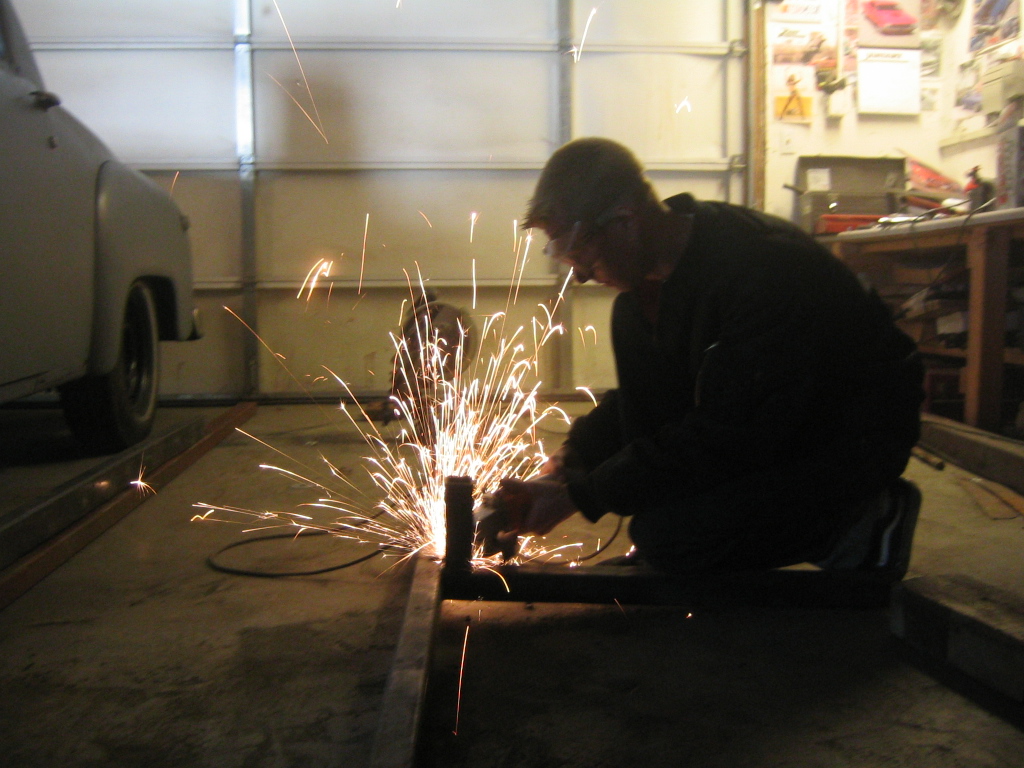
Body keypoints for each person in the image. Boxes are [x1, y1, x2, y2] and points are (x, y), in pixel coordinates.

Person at [498, 137, 924, 579]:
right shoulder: (638, 302)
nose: (580, 274)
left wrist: (580, 498)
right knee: (663, 511)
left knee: (671, 534)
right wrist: (569, 463)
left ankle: (865, 526)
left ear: (625, 221)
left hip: (852, 433)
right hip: (769, 421)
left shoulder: (762, 269)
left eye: (578, 252)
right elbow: (644, 405)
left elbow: (734, 433)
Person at [384, 289, 474, 442]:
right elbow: (407, 346)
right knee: (413, 398)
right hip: (416, 367)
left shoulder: (428, 321)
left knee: (420, 400)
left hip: (422, 367)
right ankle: (424, 428)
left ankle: (428, 429)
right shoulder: (419, 322)